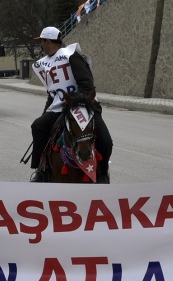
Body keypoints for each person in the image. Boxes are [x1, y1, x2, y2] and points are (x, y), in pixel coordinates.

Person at [29, 25, 112, 183]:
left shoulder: (71, 55)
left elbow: (87, 84)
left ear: (47, 42)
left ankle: (102, 173)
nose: (41, 45)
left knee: (106, 141)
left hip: (83, 105)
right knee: (38, 126)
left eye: (42, 42)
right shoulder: (44, 63)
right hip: (59, 107)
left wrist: (74, 102)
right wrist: (45, 113)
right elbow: (52, 93)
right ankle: (40, 171)